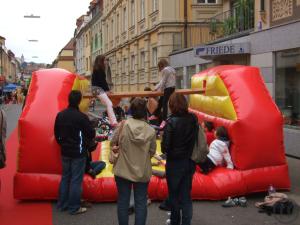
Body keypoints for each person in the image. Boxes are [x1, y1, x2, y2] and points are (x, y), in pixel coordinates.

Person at [111, 97, 156, 225]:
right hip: (142, 170)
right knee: (141, 203)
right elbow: (151, 152)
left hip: (122, 169)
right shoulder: (151, 131)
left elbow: (113, 142)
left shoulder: (123, 125)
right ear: (145, 112)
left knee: (123, 201)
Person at [54, 90, 96, 215]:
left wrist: (62, 144)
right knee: (76, 180)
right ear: (79, 101)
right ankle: (74, 207)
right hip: (78, 152)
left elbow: (56, 133)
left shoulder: (60, 115)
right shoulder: (81, 117)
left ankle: (62, 204)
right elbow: (91, 133)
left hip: (65, 152)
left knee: (66, 177)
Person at [161, 93, 198, 225]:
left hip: (174, 163)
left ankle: (175, 222)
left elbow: (165, 147)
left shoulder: (171, 122)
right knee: (186, 196)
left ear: (172, 105)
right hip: (189, 161)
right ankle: (186, 222)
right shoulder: (193, 118)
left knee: (174, 196)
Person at [91, 55, 117, 127]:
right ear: (101, 61)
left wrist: (106, 90)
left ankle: (110, 120)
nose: (106, 62)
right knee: (109, 103)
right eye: (105, 60)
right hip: (97, 89)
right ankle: (113, 122)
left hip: (96, 89)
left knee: (107, 104)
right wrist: (107, 90)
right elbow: (102, 81)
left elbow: (102, 82)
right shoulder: (99, 70)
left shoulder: (97, 69)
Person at [153, 59, 176, 128]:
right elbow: (163, 81)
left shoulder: (165, 70)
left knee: (164, 103)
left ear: (161, 65)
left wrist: (159, 90)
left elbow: (163, 81)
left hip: (168, 88)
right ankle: (155, 114)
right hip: (172, 87)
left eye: (159, 67)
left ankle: (164, 120)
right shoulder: (172, 69)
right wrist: (156, 88)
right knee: (161, 101)